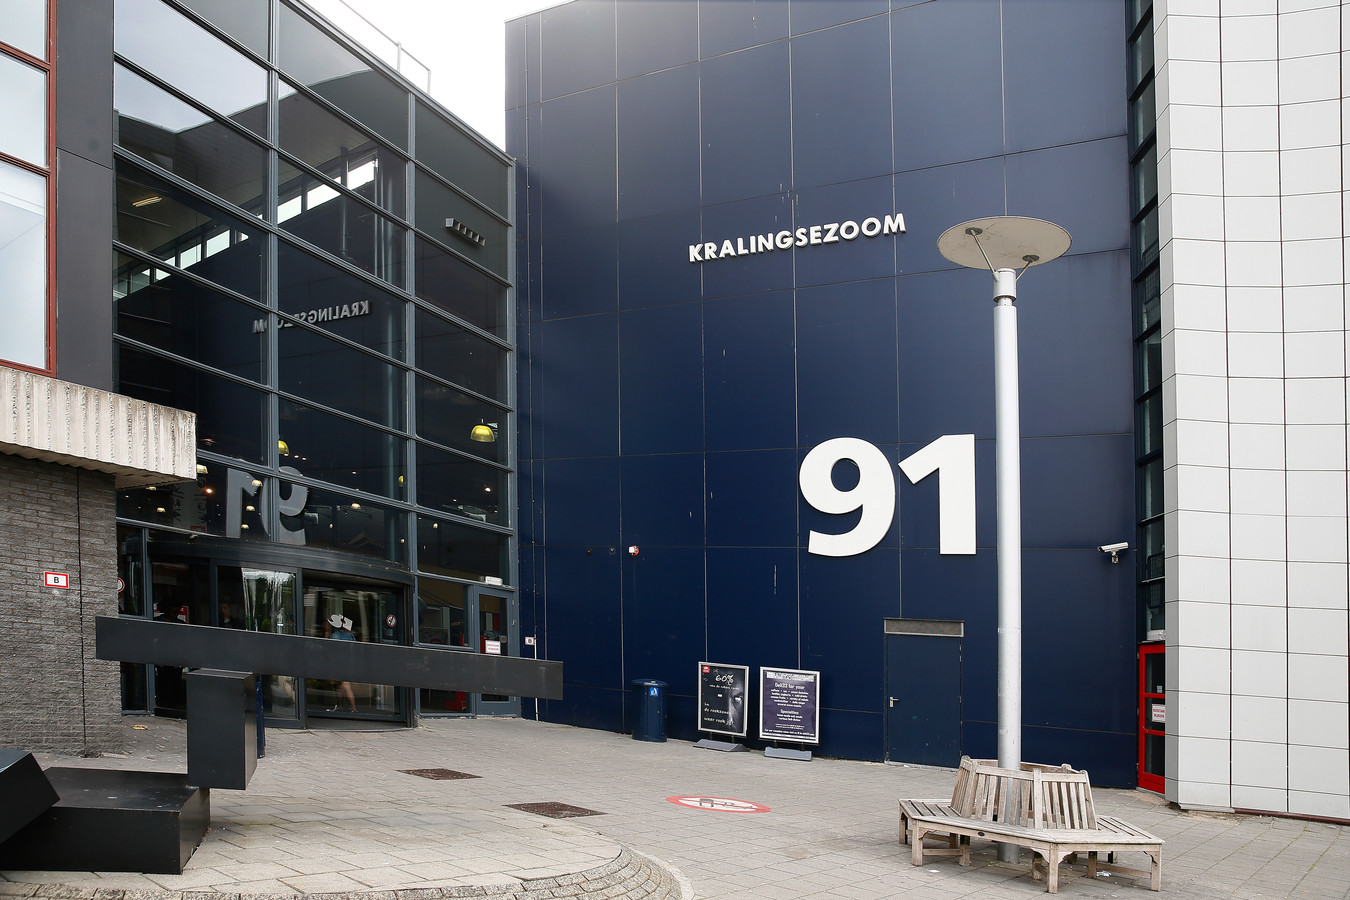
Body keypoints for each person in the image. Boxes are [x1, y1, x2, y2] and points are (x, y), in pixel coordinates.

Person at [326, 612, 357, 713]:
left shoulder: (336, 635)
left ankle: (353, 708)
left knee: (343, 687)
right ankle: (341, 706)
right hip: (348, 663)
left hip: (339, 664)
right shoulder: (351, 637)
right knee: (340, 687)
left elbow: (331, 648)